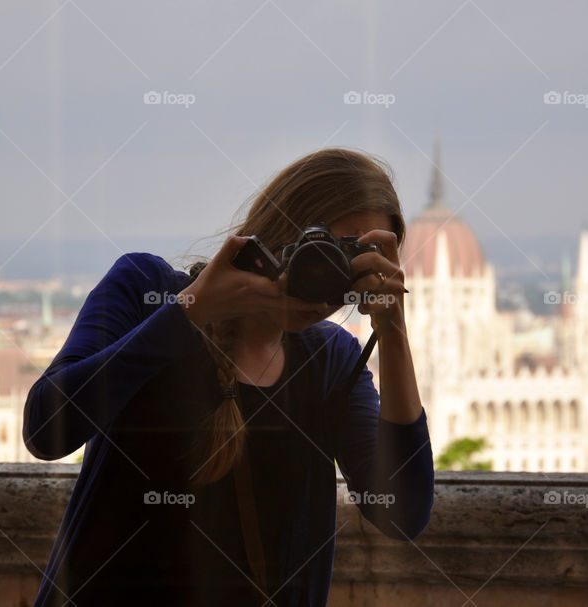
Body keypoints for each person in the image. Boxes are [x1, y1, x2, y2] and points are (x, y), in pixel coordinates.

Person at [23, 148, 434, 606]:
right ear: (282, 227)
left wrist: (393, 332)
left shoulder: (331, 363)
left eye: (352, 260)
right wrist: (189, 313)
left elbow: (403, 513)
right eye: (323, 251)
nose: (328, 281)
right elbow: (45, 429)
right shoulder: (144, 291)